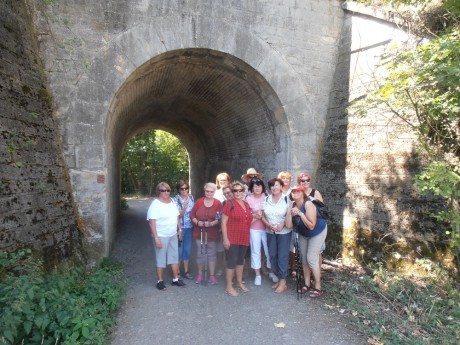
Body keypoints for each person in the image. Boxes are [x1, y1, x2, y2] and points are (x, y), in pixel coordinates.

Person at [286, 185, 327, 298]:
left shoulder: (308, 204)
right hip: (303, 233)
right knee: (303, 259)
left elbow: (311, 226)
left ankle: (318, 287)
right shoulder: (293, 205)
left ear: (303, 193)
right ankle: (307, 284)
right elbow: (289, 225)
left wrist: (300, 214)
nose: (295, 193)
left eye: (298, 191)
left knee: (311, 258)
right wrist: (290, 211)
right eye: (293, 192)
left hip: (317, 232)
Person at [147, 182, 186, 290]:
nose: (166, 192)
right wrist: (156, 238)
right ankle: (160, 281)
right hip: (161, 235)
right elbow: (151, 222)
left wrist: (180, 229)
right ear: (158, 191)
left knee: (174, 257)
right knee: (161, 258)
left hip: (173, 234)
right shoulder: (155, 204)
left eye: (168, 190)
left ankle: (175, 279)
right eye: (163, 190)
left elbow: (177, 216)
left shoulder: (172, 201)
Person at [221, 181, 253, 297]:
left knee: (240, 261)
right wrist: (225, 239)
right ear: (233, 192)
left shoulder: (246, 204)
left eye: (240, 190)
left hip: (244, 238)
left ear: (244, 191)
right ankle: (229, 286)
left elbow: (248, 219)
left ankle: (239, 282)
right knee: (231, 262)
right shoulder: (229, 204)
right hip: (232, 238)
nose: (238, 192)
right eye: (235, 190)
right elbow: (223, 222)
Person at [262, 177, 291, 293]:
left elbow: (290, 215)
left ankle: (283, 282)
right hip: (270, 231)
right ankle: (279, 279)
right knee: (272, 255)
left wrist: (283, 224)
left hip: (283, 232)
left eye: (277, 185)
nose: (274, 187)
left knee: (282, 256)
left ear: (281, 187)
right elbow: (262, 216)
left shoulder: (287, 199)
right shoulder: (266, 199)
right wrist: (268, 224)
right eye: (272, 186)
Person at [190, 183, 222, 285]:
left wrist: (212, 223)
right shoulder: (199, 202)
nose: (209, 193)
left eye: (211, 191)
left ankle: (211, 275)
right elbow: (192, 215)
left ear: (214, 192)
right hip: (199, 232)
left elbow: (220, 217)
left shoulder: (218, 203)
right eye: (207, 191)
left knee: (212, 254)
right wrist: (197, 222)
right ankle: (200, 274)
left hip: (212, 232)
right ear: (204, 191)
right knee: (200, 253)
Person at [246, 178, 270, 286]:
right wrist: (255, 215)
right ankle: (257, 275)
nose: (257, 188)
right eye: (255, 186)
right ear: (252, 187)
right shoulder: (248, 198)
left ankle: (271, 271)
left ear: (262, 187)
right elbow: (246, 215)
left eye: (259, 186)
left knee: (268, 250)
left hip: (267, 228)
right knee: (256, 251)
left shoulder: (267, 197)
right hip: (254, 228)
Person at [298, 172, 325, 267]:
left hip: (317, 224)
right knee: (306, 253)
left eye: (307, 180)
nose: (305, 182)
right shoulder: (298, 192)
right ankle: (309, 273)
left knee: (317, 251)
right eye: (303, 180)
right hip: (304, 224)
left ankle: (317, 273)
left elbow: (322, 208)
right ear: (299, 182)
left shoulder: (315, 192)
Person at [173, 179, 195, 280]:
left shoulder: (191, 198)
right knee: (179, 250)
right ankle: (177, 272)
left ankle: (186, 271)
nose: (184, 190)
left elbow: (194, 212)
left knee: (187, 249)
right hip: (179, 228)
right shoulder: (175, 200)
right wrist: (184, 208)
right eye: (182, 188)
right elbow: (178, 216)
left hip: (189, 227)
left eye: (186, 188)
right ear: (178, 189)